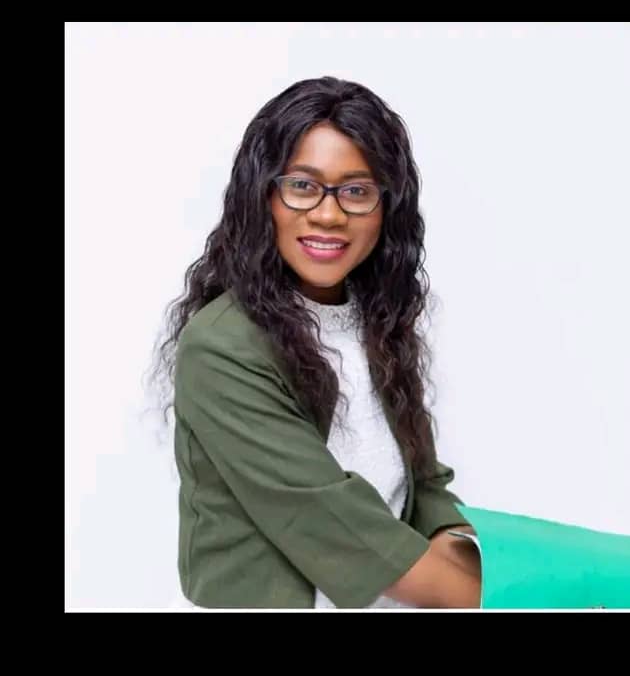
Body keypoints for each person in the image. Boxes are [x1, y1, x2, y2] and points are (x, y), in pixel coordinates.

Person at [150, 76, 481, 609]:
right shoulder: (222, 347)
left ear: (386, 208)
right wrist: (513, 596)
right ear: (263, 196)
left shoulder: (379, 324)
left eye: (356, 191)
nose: (329, 214)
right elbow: (335, 525)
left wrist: (469, 552)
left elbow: (426, 489)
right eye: (303, 185)